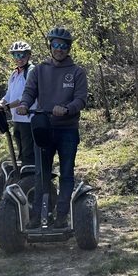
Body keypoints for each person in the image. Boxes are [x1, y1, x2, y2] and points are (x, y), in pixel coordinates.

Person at [16, 27, 87, 229]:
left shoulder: (77, 72)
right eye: (55, 45)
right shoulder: (39, 70)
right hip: (43, 128)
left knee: (66, 173)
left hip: (67, 130)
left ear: (68, 48)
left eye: (63, 46)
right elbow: (30, 92)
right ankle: (38, 214)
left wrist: (66, 109)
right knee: (41, 174)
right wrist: (24, 105)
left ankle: (62, 215)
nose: (59, 49)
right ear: (50, 46)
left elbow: (81, 99)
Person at [0, 41, 36, 166]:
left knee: (28, 153)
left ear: (28, 56)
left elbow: (27, 96)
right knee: (21, 152)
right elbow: (9, 94)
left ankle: (31, 181)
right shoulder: (14, 74)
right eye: (16, 56)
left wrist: (7, 106)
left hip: (29, 120)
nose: (19, 59)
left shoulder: (31, 72)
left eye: (22, 55)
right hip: (17, 119)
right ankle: (23, 179)